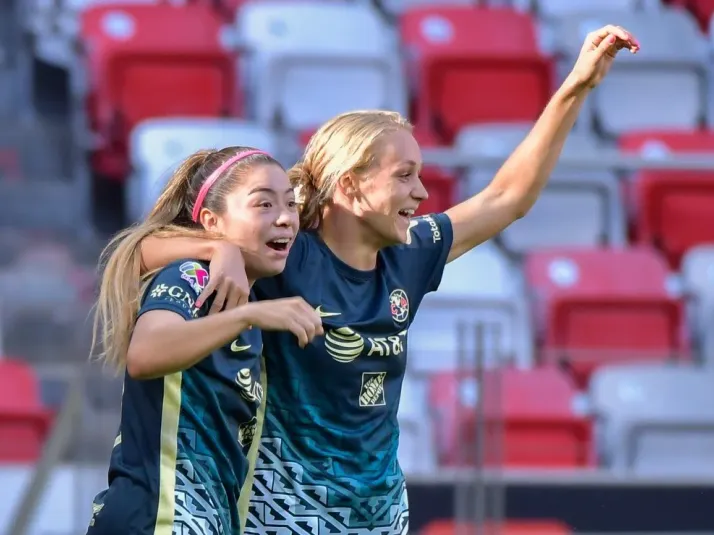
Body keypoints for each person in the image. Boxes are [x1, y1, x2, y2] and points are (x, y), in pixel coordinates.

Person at [141, 26, 639, 533]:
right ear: (352, 185)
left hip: (382, 513)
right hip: (288, 512)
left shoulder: (410, 254)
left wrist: (576, 86)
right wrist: (217, 246)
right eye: (404, 175)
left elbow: (506, 199)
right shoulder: (286, 254)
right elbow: (142, 250)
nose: (422, 192)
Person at [86, 147, 323, 535]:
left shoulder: (248, 300)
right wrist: (246, 311)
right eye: (263, 204)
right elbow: (145, 355)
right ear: (212, 220)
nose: (285, 218)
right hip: (160, 516)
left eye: (290, 205)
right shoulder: (192, 276)